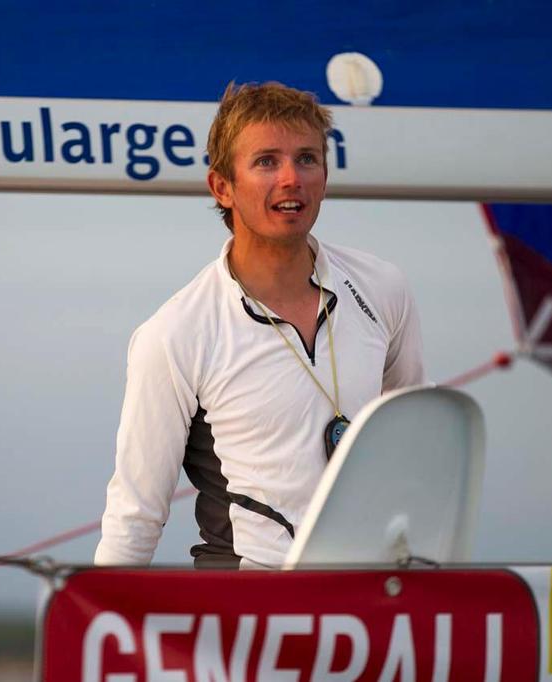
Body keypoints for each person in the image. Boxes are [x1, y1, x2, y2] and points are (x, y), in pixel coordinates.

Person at [94, 82, 425, 569]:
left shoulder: (383, 288)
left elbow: (416, 449)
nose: (292, 178)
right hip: (245, 612)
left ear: (326, 176)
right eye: (267, 161)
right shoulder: (175, 332)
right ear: (221, 187)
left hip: (364, 605)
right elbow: (136, 515)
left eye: (307, 159)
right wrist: (94, 633)